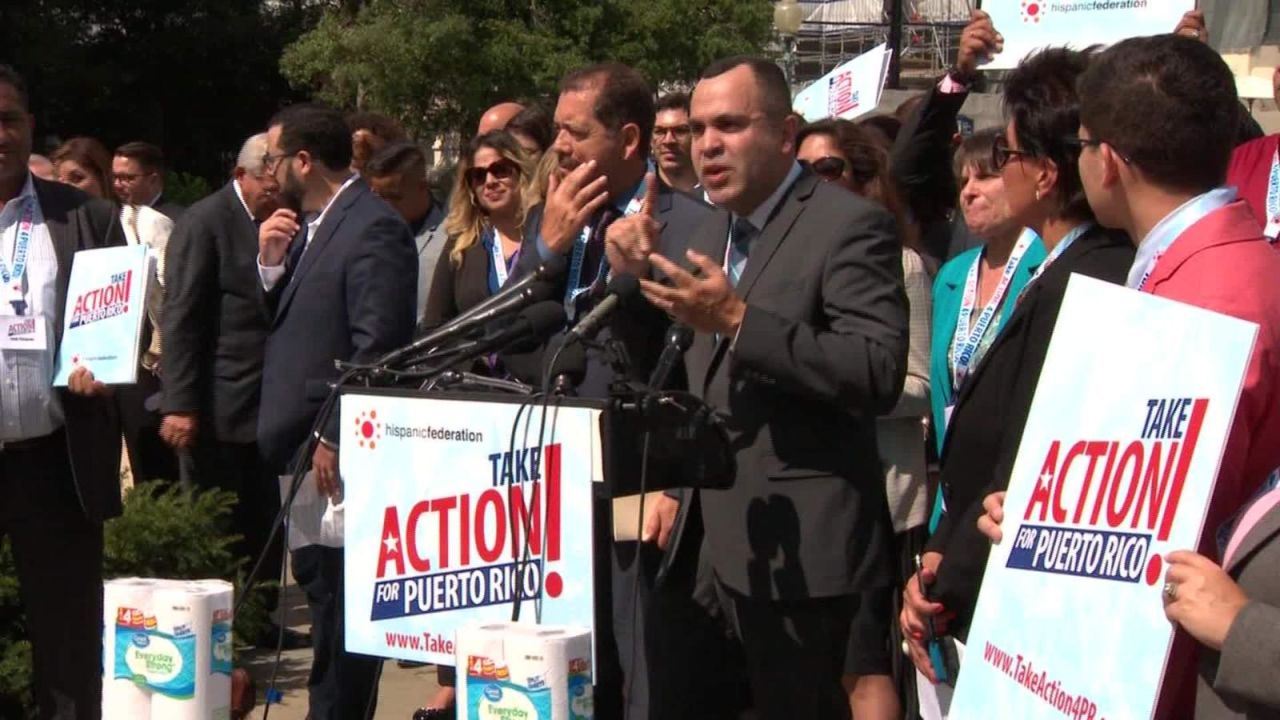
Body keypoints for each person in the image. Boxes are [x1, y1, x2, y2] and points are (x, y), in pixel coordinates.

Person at [639, 56, 909, 720]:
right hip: (707, 542)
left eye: (729, 124)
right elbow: (697, 372)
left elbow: (875, 369)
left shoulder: (847, 225)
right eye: (699, 127)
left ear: (787, 134)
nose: (706, 144)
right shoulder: (709, 227)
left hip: (805, 555)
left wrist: (739, 321)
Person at [900, 46, 1135, 688]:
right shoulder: (1068, 269)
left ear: (1047, 172)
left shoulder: (1089, 277)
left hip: (1013, 601)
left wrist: (945, 584)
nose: (992, 175)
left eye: (1004, 156)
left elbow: (1024, 458)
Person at [1073, 33, 1280, 718]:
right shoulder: (1218, 268)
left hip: (1181, 678)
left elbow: (1166, 536)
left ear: (1107, 161)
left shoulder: (1207, 304)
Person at [512, 62, 722, 720]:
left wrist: (674, 486)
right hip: (550, 485)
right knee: (568, 667)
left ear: (630, 140)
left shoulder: (695, 227)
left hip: (638, 482)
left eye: (574, 132)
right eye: (556, 131)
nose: (560, 147)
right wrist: (543, 251)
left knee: (643, 677)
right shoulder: (556, 217)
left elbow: (702, 372)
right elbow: (512, 337)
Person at [255, 103, 417, 719]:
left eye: (274, 158)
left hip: (331, 451)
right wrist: (270, 265)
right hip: (296, 447)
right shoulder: (312, 223)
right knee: (319, 590)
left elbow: (377, 347)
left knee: (342, 607)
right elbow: (296, 323)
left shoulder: (371, 226)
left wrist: (336, 435)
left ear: (303, 160)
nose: (269, 173)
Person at [0, 63, 127, 719]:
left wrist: (107, 366)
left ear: (29, 127)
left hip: (56, 457)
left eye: (8, 119)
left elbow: (121, 328)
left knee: (68, 638)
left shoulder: (87, 217)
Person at [796, 117, 925, 720]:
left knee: (863, 667)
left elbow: (920, 388)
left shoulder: (900, 265)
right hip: (805, 494)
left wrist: (832, 381)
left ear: (862, 177)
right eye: (803, 172)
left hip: (875, 499)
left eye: (829, 169)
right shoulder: (785, 266)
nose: (815, 182)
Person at [158, 132, 308, 649]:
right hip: (215, 404)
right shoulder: (205, 222)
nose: (276, 188)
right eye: (268, 178)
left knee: (263, 515)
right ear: (241, 175)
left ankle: (259, 616)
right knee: (216, 517)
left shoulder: (288, 217)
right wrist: (180, 402)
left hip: (266, 402)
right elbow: (182, 318)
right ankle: (213, 628)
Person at [422, 131, 535, 329]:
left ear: (521, 173)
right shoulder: (461, 243)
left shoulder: (544, 233)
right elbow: (434, 323)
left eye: (500, 170)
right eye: (479, 175)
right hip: (476, 357)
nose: (490, 181)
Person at [365, 141, 449, 323]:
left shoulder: (450, 239)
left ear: (422, 186)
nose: (383, 206)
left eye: (393, 196)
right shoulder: (360, 233)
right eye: (377, 196)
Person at [113, 141, 184, 219]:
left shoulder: (176, 220)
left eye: (127, 178)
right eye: (115, 176)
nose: (117, 184)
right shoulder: (112, 218)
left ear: (153, 180)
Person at [653, 92, 697, 193]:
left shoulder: (719, 196)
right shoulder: (635, 196)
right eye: (659, 132)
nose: (668, 141)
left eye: (680, 131)